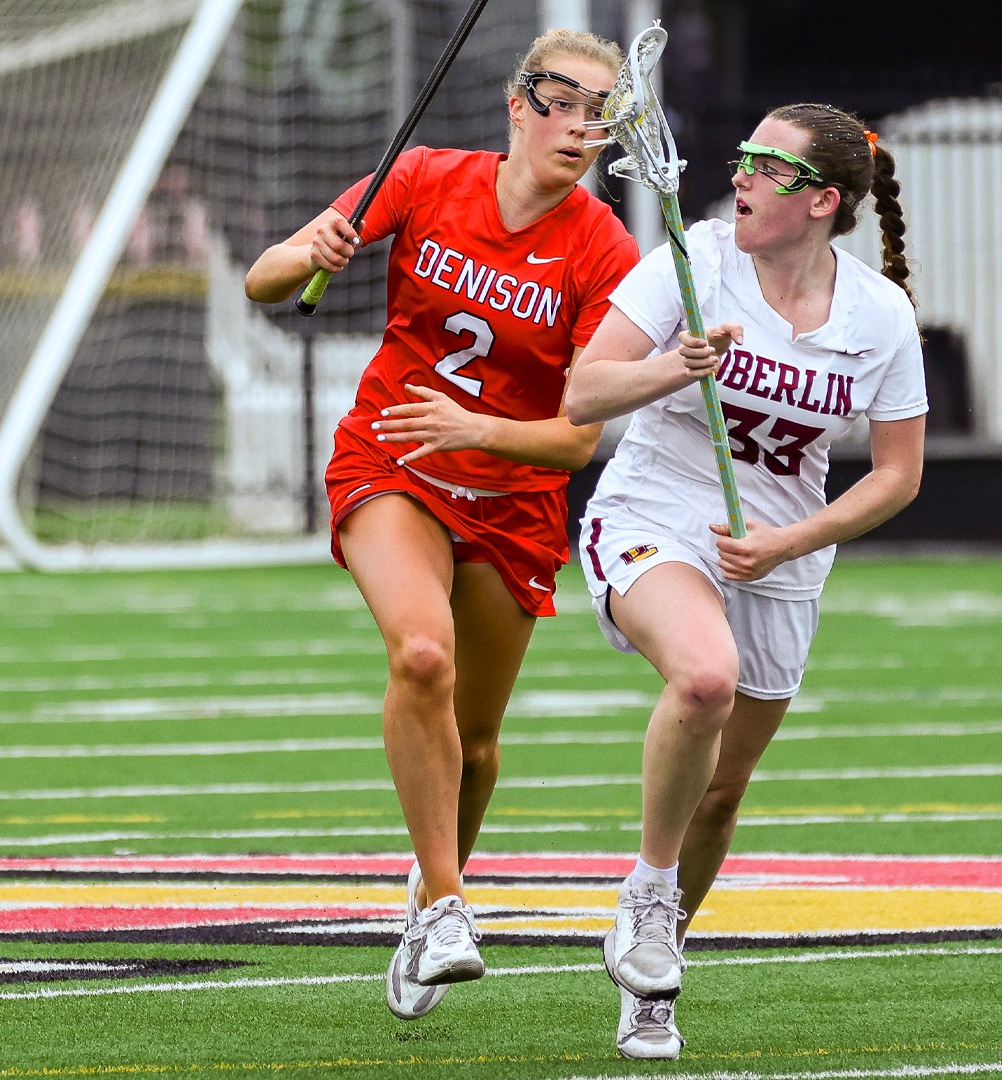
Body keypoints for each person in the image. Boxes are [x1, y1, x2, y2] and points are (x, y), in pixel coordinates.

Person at [243, 30, 639, 1017]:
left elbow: (576, 442)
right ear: (517, 103)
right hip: (395, 464)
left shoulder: (605, 250)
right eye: (561, 101)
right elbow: (263, 279)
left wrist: (480, 429)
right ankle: (452, 906)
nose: (578, 126)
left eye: (600, 113)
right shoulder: (424, 177)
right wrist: (309, 253)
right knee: (423, 655)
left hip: (513, 498)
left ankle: (426, 900)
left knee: (480, 740)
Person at [565, 103, 926, 1058]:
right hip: (656, 510)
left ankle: (654, 976)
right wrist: (673, 368)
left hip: (779, 549)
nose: (744, 177)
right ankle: (648, 894)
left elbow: (898, 475)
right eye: (745, 158)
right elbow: (583, 392)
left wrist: (789, 541)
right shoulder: (696, 260)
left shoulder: (880, 316)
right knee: (705, 679)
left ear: (824, 201)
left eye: (771, 166)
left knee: (722, 793)